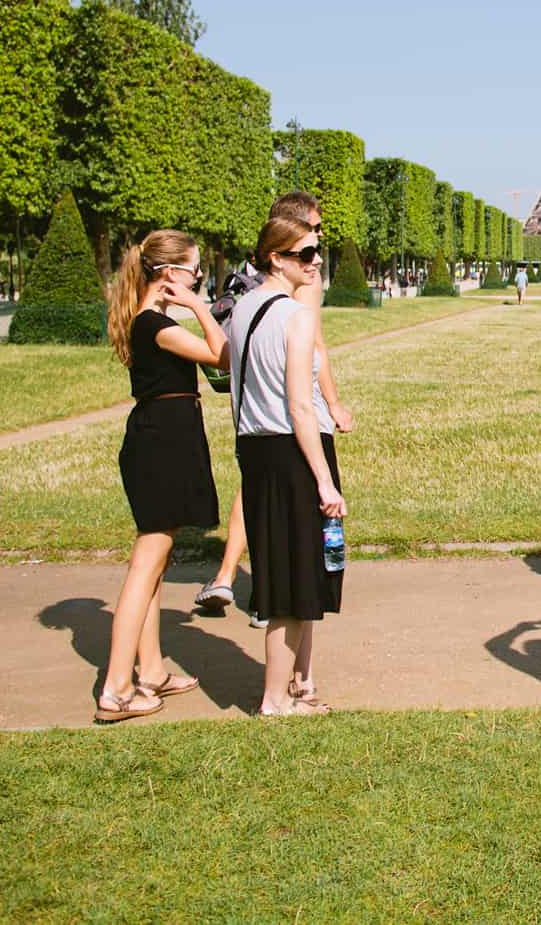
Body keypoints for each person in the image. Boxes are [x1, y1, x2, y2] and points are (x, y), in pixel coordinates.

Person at [199, 191, 354, 620]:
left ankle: (231, 577)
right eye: (315, 231)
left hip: (253, 422)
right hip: (294, 418)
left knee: (254, 496)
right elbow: (313, 345)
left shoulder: (253, 289)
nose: (319, 243)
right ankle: (285, 612)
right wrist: (334, 401)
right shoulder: (303, 285)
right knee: (305, 523)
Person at [93, 231, 228, 723]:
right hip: (162, 442)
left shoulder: (148, 319)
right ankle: (116, 689)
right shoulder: (155, 323)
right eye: (194, 271)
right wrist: (199, 306)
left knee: (155, 561)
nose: (198, 278)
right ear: (170, 274)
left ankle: (149, 671)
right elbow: (222, 355)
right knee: (146, 565)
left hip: (162, 436)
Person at [229, 216, 349, 716]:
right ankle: (277, 698)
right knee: (296, 578)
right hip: (293, 451)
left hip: (255, 450)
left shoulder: (241, 309)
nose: (316, 260)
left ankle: (291, 687)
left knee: (278, 574)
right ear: (276, 258)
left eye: (317, 251)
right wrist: (324, 480)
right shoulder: (296, 317)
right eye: (305, 254)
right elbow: (300, 406)